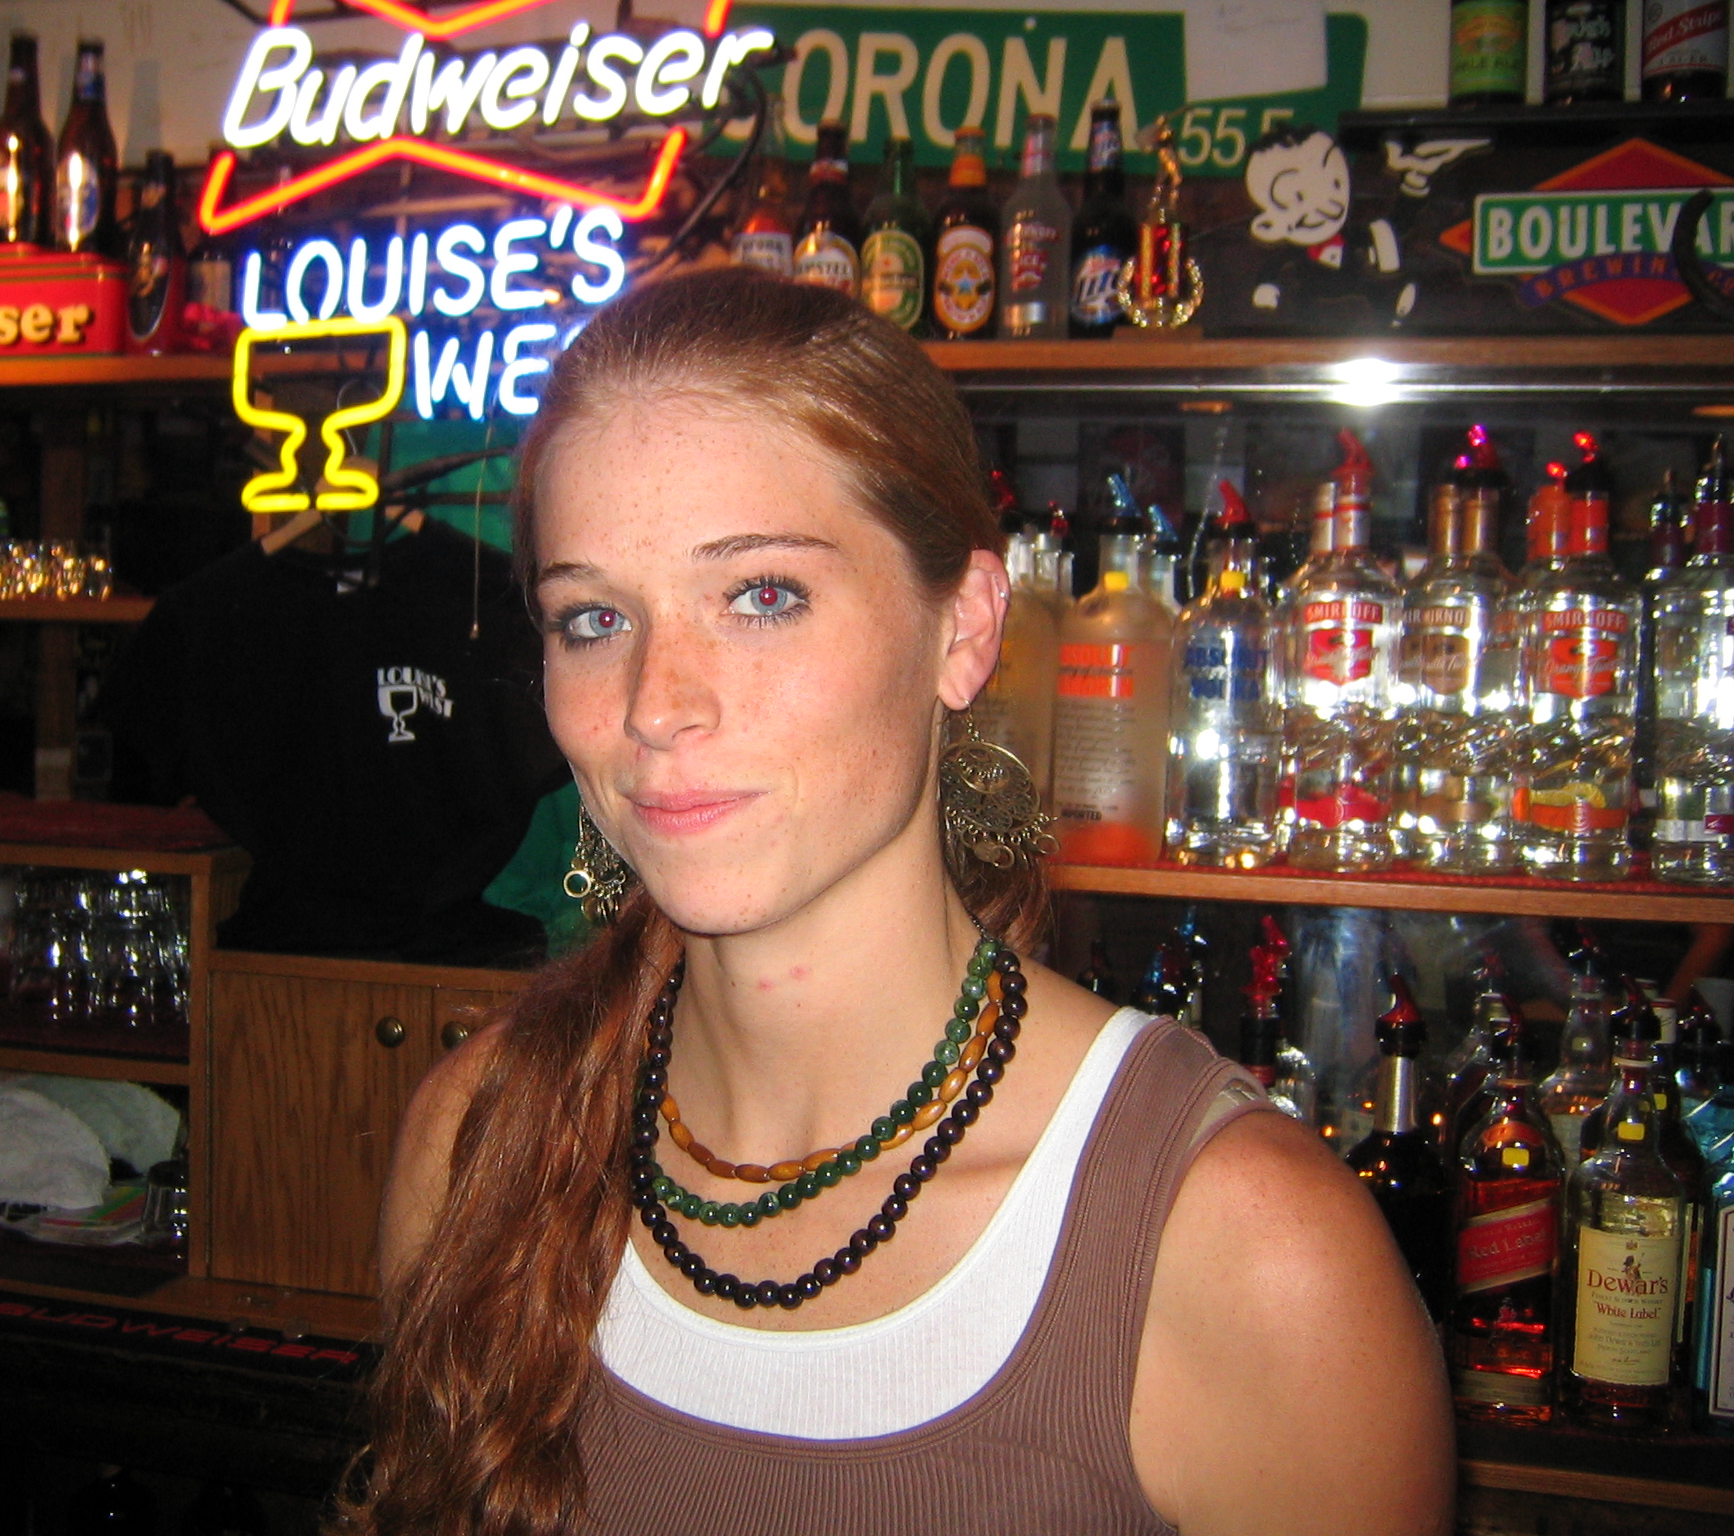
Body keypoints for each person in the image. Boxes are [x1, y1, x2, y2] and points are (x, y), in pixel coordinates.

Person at [347, 268, 1453, 1535]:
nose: (656, 703)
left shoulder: (1243, 1253)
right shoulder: (476, 1142)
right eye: (593, 617)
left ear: (963, 625)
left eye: (761, 595)